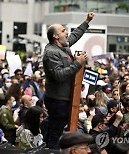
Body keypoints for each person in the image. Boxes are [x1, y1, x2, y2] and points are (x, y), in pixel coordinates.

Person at [43, 11, 95, 149]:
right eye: (63, 30)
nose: (66, 32)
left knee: (55, 132)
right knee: (56, 135)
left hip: (65, 98)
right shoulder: (51, 53)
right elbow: (59, 75)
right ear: (55, 36)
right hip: (58, 100)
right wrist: (77, 63)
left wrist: (86, 22)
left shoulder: (63, 45)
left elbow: (74, 36)